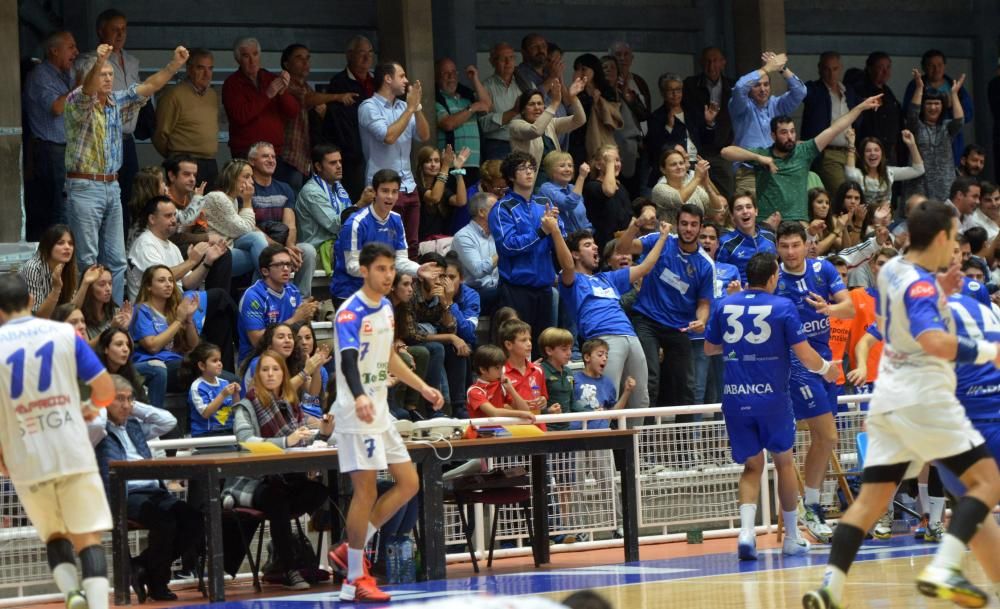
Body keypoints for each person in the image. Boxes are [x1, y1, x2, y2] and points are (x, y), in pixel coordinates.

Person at [802, 200, 1000, 609]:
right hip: (924, 398)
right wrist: (986, 351)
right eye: (954, 239)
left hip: (887, 402)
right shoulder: (921, 284)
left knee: (869, 504)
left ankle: (830, 587)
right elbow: (933, 341)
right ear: (942, 237)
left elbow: (907, 314)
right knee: (987, 483)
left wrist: (941, 292)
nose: (956, 252)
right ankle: (945, 567)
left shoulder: (891, 270)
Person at [705, 252, 840, 560]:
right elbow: (806, 356)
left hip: (736, 396)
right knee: (784, 464)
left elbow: (710, 347)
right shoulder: (783, 306)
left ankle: (746, 533)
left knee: (751, 466)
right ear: (772, 278)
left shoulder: (725, 304)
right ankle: (791, 537)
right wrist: (826, 370)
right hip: (773, 399)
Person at [328, 242, 443, 602]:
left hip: (381, 411)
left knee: (408, 482)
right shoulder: (350, 312)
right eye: (380, 268)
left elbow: (389, 357)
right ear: (364, 270)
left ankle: (351, 550)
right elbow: (348, 361)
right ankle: (355, 577)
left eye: (391, 268)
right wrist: (360, 395)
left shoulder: (389, 309)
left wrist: (422, 386)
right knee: (366, 491)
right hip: (356, 411)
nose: (388, 275)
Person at [0, 273, 115, 609]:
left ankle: (70, 594)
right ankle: (95, 605)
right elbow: (106, 390)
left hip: (26, 456)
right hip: (70, 448)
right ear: (32, 301)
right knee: (88, 536)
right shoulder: (65, 333)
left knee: (54, 534)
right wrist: (91, 407)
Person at [66, 42, 189, 306]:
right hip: (85, 186)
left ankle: (114, 317)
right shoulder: (76, 99)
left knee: (118, 260)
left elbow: (149, 87)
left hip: (112, 185)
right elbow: (88, 91)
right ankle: (87, 317)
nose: (109, 78)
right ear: (90, 76)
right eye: (103, 74)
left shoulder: (116, 101)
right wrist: (98, 61)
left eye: (111, 74)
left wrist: (174, 65)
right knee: (88, 259)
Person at [773, 222, 854, 543]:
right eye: (784, 246)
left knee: (825, 440)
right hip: (796, 364)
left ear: (807, 244)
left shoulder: (822, 269)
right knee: (828, 435)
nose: (791, 252)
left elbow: (848, 310)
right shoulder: (774, 278)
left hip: (825, 362)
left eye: (796, 245)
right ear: (777, 248)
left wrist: (828, 307)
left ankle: (812, 505)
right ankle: (812, 508)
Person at [226, 351, 332, 591]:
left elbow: (303, 439)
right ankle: (289, 567)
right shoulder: (246, 406)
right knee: (277, 499)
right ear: (257, 375)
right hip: (251, 481)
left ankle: (283, 549)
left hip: (286, 480)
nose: (271, 374)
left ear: (283, 374)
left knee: (319, 491)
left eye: (276, 369)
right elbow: (246, 442)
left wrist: (324, 432)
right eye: (265, 370)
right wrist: (286, 442)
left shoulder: (291, 403)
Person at [88, 375, 199, 602]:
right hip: (123, 494)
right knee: (165, 521)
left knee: (194, 519)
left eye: (130, 399)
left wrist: (132, 406)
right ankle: (158, 582)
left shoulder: (134, 425)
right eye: (120, 399)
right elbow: (98, 423)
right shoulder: (96, 431)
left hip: (154, 491)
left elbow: (168, 421)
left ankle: (141, 566)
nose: (127, 405)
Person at [555, 222, 667, 421]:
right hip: (603, 339)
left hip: (630, 337)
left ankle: (634, 451)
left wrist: (663, 237)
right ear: (575, 254)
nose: (595, 247)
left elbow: (645, 267)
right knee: (606, 399)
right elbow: (567, 265)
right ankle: (605, 452)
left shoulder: (607, 278)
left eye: (594, 244)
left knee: (640, 400)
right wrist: (555, 231)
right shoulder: (570, 280)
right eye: (588, 245)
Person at [722, 94, 882, 222]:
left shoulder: (804, 151)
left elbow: (835, 128)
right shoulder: (763, 154)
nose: (790, 136)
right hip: (768, 222)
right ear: (773, 135)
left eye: (792, 131)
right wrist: (759, 158)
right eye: (784, 133)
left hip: (798, 221)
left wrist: (861, 107)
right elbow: (726, 152)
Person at [617, 204, 714, 412]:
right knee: (650, 379)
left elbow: (704, 303)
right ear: (677, 224)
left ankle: (684, 444)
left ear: (701, 227)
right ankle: (644, 441)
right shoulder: (659, 240)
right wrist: (637, 224)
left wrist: (702, 320)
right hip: (647, 320)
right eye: (684, 224)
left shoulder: (705, 265)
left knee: (686, 388)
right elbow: (622, 249)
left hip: (679, 328)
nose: (688, 229)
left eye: (694, 225)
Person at [488, 151, 564, 354]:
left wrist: (556, 228)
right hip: (516, 288)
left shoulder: (544, 203)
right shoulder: (502, 208)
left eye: (531, 168)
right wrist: (541, 231)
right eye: (522, 169)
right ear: (511, 176)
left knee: (543, 349)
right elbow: (508, 246)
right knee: (516, 350)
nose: (529, 172)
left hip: (544, 287)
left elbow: (561, 240)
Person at [330, 169, 437, 305]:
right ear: (374, 192)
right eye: (385, 191)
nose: (390, 197)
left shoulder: (396, 220)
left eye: (394, 191)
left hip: (378, 294)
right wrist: (382, 270)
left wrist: (418, 269)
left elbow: (400, 260)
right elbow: (352, 266)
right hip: (349, 294)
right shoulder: (356, 223)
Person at [74, 9, 141, 226]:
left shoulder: (132, 61)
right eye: (115, 30)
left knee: (129, 195)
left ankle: (122, 244)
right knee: (103, 198)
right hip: (101, 140)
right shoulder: (90, 61)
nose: (120, 34)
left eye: (124, 29)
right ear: (101, 31)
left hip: (127, 138)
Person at [358, 61, 431, 258]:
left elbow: (424, 136)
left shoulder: (404, 106)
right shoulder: (368, 107)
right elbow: (388, 137)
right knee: (385, 247)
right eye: (402, 76)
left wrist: (416, 108)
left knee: (412, 245)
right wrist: (409, 109)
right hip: (382, 187)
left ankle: (410, 288)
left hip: (408, 185)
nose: (406, 81)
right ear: (387, 79)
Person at [279, 43, 360, 191]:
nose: (305, 62)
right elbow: (307, 99)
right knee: (292, 202)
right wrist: (338, 96)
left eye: (307, 58)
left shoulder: (306, 86)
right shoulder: (285, 84)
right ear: (286, 64)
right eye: (299, 58)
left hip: (305, 158)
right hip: (290, 156)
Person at [23, 30, 78, 239]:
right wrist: (80, 87)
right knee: (58, 206)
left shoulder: (67, 73)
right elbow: (56, 107)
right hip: (50, 149)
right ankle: (55, 256)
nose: (76, 52)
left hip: (66, 148)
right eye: (70, 47)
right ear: (54, 51)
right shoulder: (40, 75)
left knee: (67, 204)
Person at [728, 51, 807, 194]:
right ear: (750, 88)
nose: (763, 89)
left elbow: (800, 92)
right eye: (757, 85)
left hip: (777, 170)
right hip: (749, 172)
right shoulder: (740, 107)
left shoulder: (777, 105)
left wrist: (782, 68)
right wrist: (766, 69)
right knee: (749, 214)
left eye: (766, 85)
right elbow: (740, 88)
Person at [249, 141, 318, 295]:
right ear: (252, 161)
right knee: (265, 253)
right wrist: (280, 249)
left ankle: (300, 301)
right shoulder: (246, 187)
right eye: (265, 156)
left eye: (273, 156)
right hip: (259, 245)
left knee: (308, 251)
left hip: (282, 245)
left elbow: (290, 225)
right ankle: (261, 299)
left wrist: (290, 246)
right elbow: (249, 226)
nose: (271, 160)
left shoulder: (284, 188)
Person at [236, 244, 318, 364]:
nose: (285, 269)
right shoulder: (253, 297)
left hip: (288, 356)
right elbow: (257, 341)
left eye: (288, 264)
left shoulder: (293, 291)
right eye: (279, 265)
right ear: (265, 271)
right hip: (257, 360)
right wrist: (295, 319)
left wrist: (307, 316)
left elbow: (301, 328)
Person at [222, 37, 298, 161]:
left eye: (255, 54)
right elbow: (241, 116)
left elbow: (293, 112)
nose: (252, 60)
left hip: (274, 151)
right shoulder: (232, 84)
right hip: (246, 152)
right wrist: (267, 95)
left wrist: (283, 93)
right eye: (246, 56)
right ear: (238, 59)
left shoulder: (271, 78)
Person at [153, 48, 220, 187]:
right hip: (184, 163)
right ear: (189, 69)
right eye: (201, 68)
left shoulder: (212, 95)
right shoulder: (173, 95)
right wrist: (175, 158)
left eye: (210, 68)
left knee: (209, 207)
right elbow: (160, 134)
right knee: (184, 206)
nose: (207, 74)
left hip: (210, 162)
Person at [199, 159, 271, 280]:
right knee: (264, 259)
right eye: (246, 177)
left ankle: (262, 292)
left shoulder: (233, 199)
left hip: (230, 245)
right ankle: (268, 289)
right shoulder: (218, 197)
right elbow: (244, 229)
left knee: (258, 242)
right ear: (232, 178)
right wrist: (248, 201)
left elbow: (244, 230)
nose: (252, 182)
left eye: (251, 177)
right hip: (214, 252)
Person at [320, 35, 373, 199]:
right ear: (349, 55)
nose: (367, 57)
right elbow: (339, 125)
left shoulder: (376, 81)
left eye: (370, 52)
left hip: (376, 152)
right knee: (357, 198)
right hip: (353, 157)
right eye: (361, 53)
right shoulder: (339, 83)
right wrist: (352, 153)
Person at [801, 52, 860, 194]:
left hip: (849, 151)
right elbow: (799, 91)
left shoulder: (848, 91)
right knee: (843, 193)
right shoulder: (814, 90)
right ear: (819, 69)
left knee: (853, 195)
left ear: (840, 68)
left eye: (834, 69)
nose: (831, 73)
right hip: (828, 154)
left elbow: (857, 114)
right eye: (827, 69)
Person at [694, 222, 741, 404]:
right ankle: (695, 433)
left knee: (726, 387)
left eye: (712, 238)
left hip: (726, 336)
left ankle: (727, 430)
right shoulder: (690, 266)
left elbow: (741, 303)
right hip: (698, 336)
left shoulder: (731, 270)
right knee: (698, 388)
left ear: (718, 244)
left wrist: (736, 295)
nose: (707, 241)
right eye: (703, 237)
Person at [296, 144, 362, 271]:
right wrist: (360, 204)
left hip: (338, 245)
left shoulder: (338, 188)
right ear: (318, 166)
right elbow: (335, 225)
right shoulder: (312, 192)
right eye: (333, 163)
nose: (339, 166)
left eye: (340, 161)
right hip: (319, 251)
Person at [903, 50, 974, 165]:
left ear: (944, 66)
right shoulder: (916, 85)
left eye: (939, 65)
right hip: (923, 140)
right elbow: (908, 113)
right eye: (931, 65)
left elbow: (968, 115)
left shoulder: (954, 87)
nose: (936, 69)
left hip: (950, 140)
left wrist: (952, 105)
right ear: (924, 67)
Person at [683, 47, 736, 199]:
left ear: (723, 63)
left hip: (723, 151)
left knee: (727, 196)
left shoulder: (733, 86)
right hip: (698, 151)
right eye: (707, 61)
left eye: (715, 61)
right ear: (701, 63)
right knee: (699, 196)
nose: (711, 66)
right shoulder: (690, 85)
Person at [907, 71, 966, 201]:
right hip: (920, 186)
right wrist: (919, 88)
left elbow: (960, 120)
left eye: (937, 103)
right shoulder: (916, 126)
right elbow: (912, 113)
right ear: (923, 107)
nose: (933, 107)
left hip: (945, 187)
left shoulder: (947, 127)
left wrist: (954, 94)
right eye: (929, 103)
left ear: (942, 106)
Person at [508, 77, 587, 172]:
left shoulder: (550, 123)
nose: (537, 107)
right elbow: (535, 130)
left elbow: (579, 120)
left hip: (556, 177)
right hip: (532, 181)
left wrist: (573, 98)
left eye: (539, 103)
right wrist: (554, 103)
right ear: (523, 110)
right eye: (531, 104)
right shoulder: (515, 124)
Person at [436, 58, 492, 181]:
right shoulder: (436, 99)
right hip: (450, 165)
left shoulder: (467, 97)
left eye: (454, 72)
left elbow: (487, 105)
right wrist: (473, 108)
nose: (451, 77)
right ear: (437, 77)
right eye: (446, 73)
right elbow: (448, 123)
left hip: (474, 164)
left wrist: (474, 79)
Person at [17, 224, 88, 319]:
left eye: (70, 243)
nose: (67, 247)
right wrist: (57, 288)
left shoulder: (69, 267)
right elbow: (37, 316)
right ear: (48, 246)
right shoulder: (33, 268)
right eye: (60, 243)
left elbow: (71, 310)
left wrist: (86, 283)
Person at [843, 127, 924, 205]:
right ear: (862, 155)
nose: (872, 153)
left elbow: (919, 170)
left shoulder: (889, 172)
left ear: (882, 154)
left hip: (885, 218)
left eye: (876, 150)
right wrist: (851, 144)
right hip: (864, 218)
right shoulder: (858, 174)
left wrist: (912, 144)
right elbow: (850, 174)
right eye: (868, 151)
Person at [572, 338, 636, 431]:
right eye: (600, 355)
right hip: (577, 432)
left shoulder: (608, 383)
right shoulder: (574, 379)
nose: (605, 358)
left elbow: (614, 414)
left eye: (606, 355)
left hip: (601, 431)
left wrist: (627, 391)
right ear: (587, 357)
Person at [500, 319, 551, 430]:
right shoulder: (500, 373)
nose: (529, 344)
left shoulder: (538, 370)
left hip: (539, 428)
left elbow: (543, 398)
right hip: (513, 431)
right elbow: (496, 407)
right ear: (508, 344)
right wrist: (519, 409)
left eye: (530, 339)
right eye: (523, 340)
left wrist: (542, 401)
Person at [854, 52, 903, 165]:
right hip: (869, 150)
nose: (885, 71)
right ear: (870, 68)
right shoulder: (859, 91)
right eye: (880, 67)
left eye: (888, 67)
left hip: (889, 150)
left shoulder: (889, 92)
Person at [717, 191, 777, 283]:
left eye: (749, 207)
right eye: (739, 208)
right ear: (732, 215)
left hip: (771, 294)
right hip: (741, 295)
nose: (745, 211)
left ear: (756, 211)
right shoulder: (725, 243)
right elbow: (719, 277)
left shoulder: (770, 237)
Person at [452, 192, 500, 307]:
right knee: (508, 294)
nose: (501, 212)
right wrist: (503, 251)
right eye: (496, 208)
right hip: (472, 292)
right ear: (481, 212)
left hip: (496, 288)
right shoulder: (464, 236)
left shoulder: (497, 233)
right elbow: (478, 271)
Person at [183, 342, 241, 437]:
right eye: (214, 361)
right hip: (205, 434)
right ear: (202, 366)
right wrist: (222, 395)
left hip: (228, 432)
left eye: (220, 360)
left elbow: (236, 410)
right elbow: (206, 413)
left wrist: (235, 394)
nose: (219, 364)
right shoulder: (197, 386)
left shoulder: (225, 383)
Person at [480, 43, 526, 161]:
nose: (508, 62)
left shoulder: (525, 84)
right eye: (502, 59)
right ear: (492, 62)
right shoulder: (485, 87)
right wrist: (513, 112)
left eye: (511, 58)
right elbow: (483, 124)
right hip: (498, 145)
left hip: (524, 143)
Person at [651, 149, 725, 222]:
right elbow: (679, 199)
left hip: (696, 233)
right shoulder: (659, 189)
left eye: (681, 163)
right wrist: (697, 177)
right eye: (673, 164)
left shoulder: (694, 187)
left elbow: (717, 209)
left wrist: (706, 184)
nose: (679, 167)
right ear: (663, 169)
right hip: (670, 233)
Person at [466, 344, 535, 421]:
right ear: (483, 370)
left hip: (502, 431)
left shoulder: (502, 386)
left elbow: (525, 410)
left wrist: (511, 389)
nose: (501, 371)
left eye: (502, 367)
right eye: (497, 368)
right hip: (481, 432)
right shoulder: (474, 391)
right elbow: (494, 413)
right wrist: (520, 414)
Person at [415, 145, 469, 242]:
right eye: (428, 161)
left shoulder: (440, 186)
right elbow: (434, 197)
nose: (433, 164)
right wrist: (446, 166)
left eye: (436, 161)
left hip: (439, 240)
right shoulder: (415, 184)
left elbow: (460, 201)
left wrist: (458, 171)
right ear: (421, 165)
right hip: (420, 241)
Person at [583, 145, 633, 247]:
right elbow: (609, 191)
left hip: (622, 244)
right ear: (598, 165)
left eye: (617, 160)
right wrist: (611, 163)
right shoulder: (592, 186)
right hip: (603, 245)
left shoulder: (621, 188)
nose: (616, 164)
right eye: (609, 160)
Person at [539, 151, 591, 234]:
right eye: (562, 166)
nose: (568, 169)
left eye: (570, 166)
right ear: (551, 170)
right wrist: (581, 177)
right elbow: (568, 204)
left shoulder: (573, 188)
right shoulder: (546, 188)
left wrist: (589, 234)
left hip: (582, 239)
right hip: (562, 241)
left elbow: (584, 219)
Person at [538, 327, 576, 431]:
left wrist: (593, 412)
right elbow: (533, 408)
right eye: (564, 349)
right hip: (547, 428)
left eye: (570, 349)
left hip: (568, 428)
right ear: (549, 350)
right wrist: (548, 411)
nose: (569, 353)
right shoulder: (539, 371)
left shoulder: (569, 372)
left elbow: (573, 403)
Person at [81, 267, 132, 342]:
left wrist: (125, 329)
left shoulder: (116, 312)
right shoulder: (80, 316)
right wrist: (111, 329)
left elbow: (130, 347)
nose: (108, 289)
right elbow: (86, 349)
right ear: (89, 288)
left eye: (110, 283)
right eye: (102, 284)